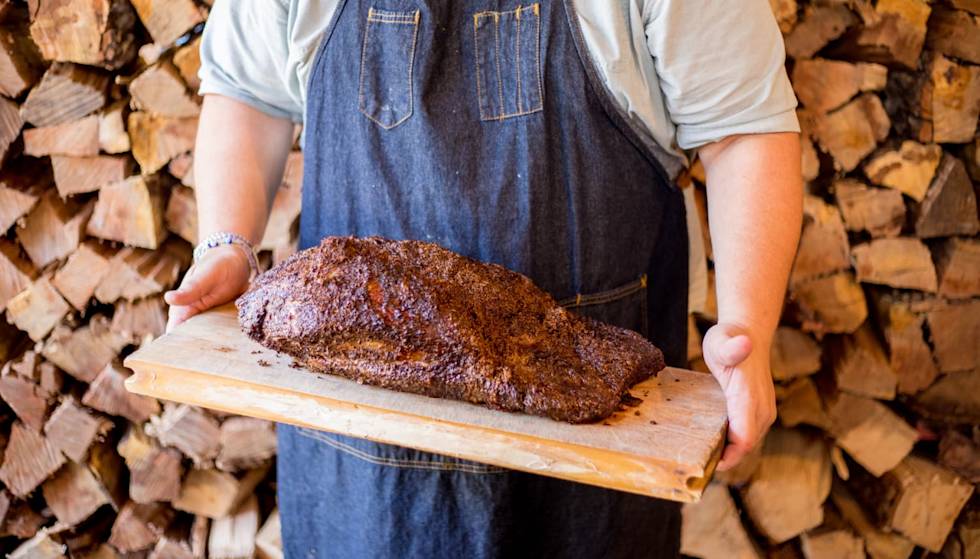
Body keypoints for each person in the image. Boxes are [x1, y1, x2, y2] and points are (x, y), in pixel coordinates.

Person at [165, 0, 803, 556]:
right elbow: (245, 97)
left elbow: (742, 129)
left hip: (596, 434)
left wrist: (748, 324)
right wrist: (225, 243)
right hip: (358, 448)